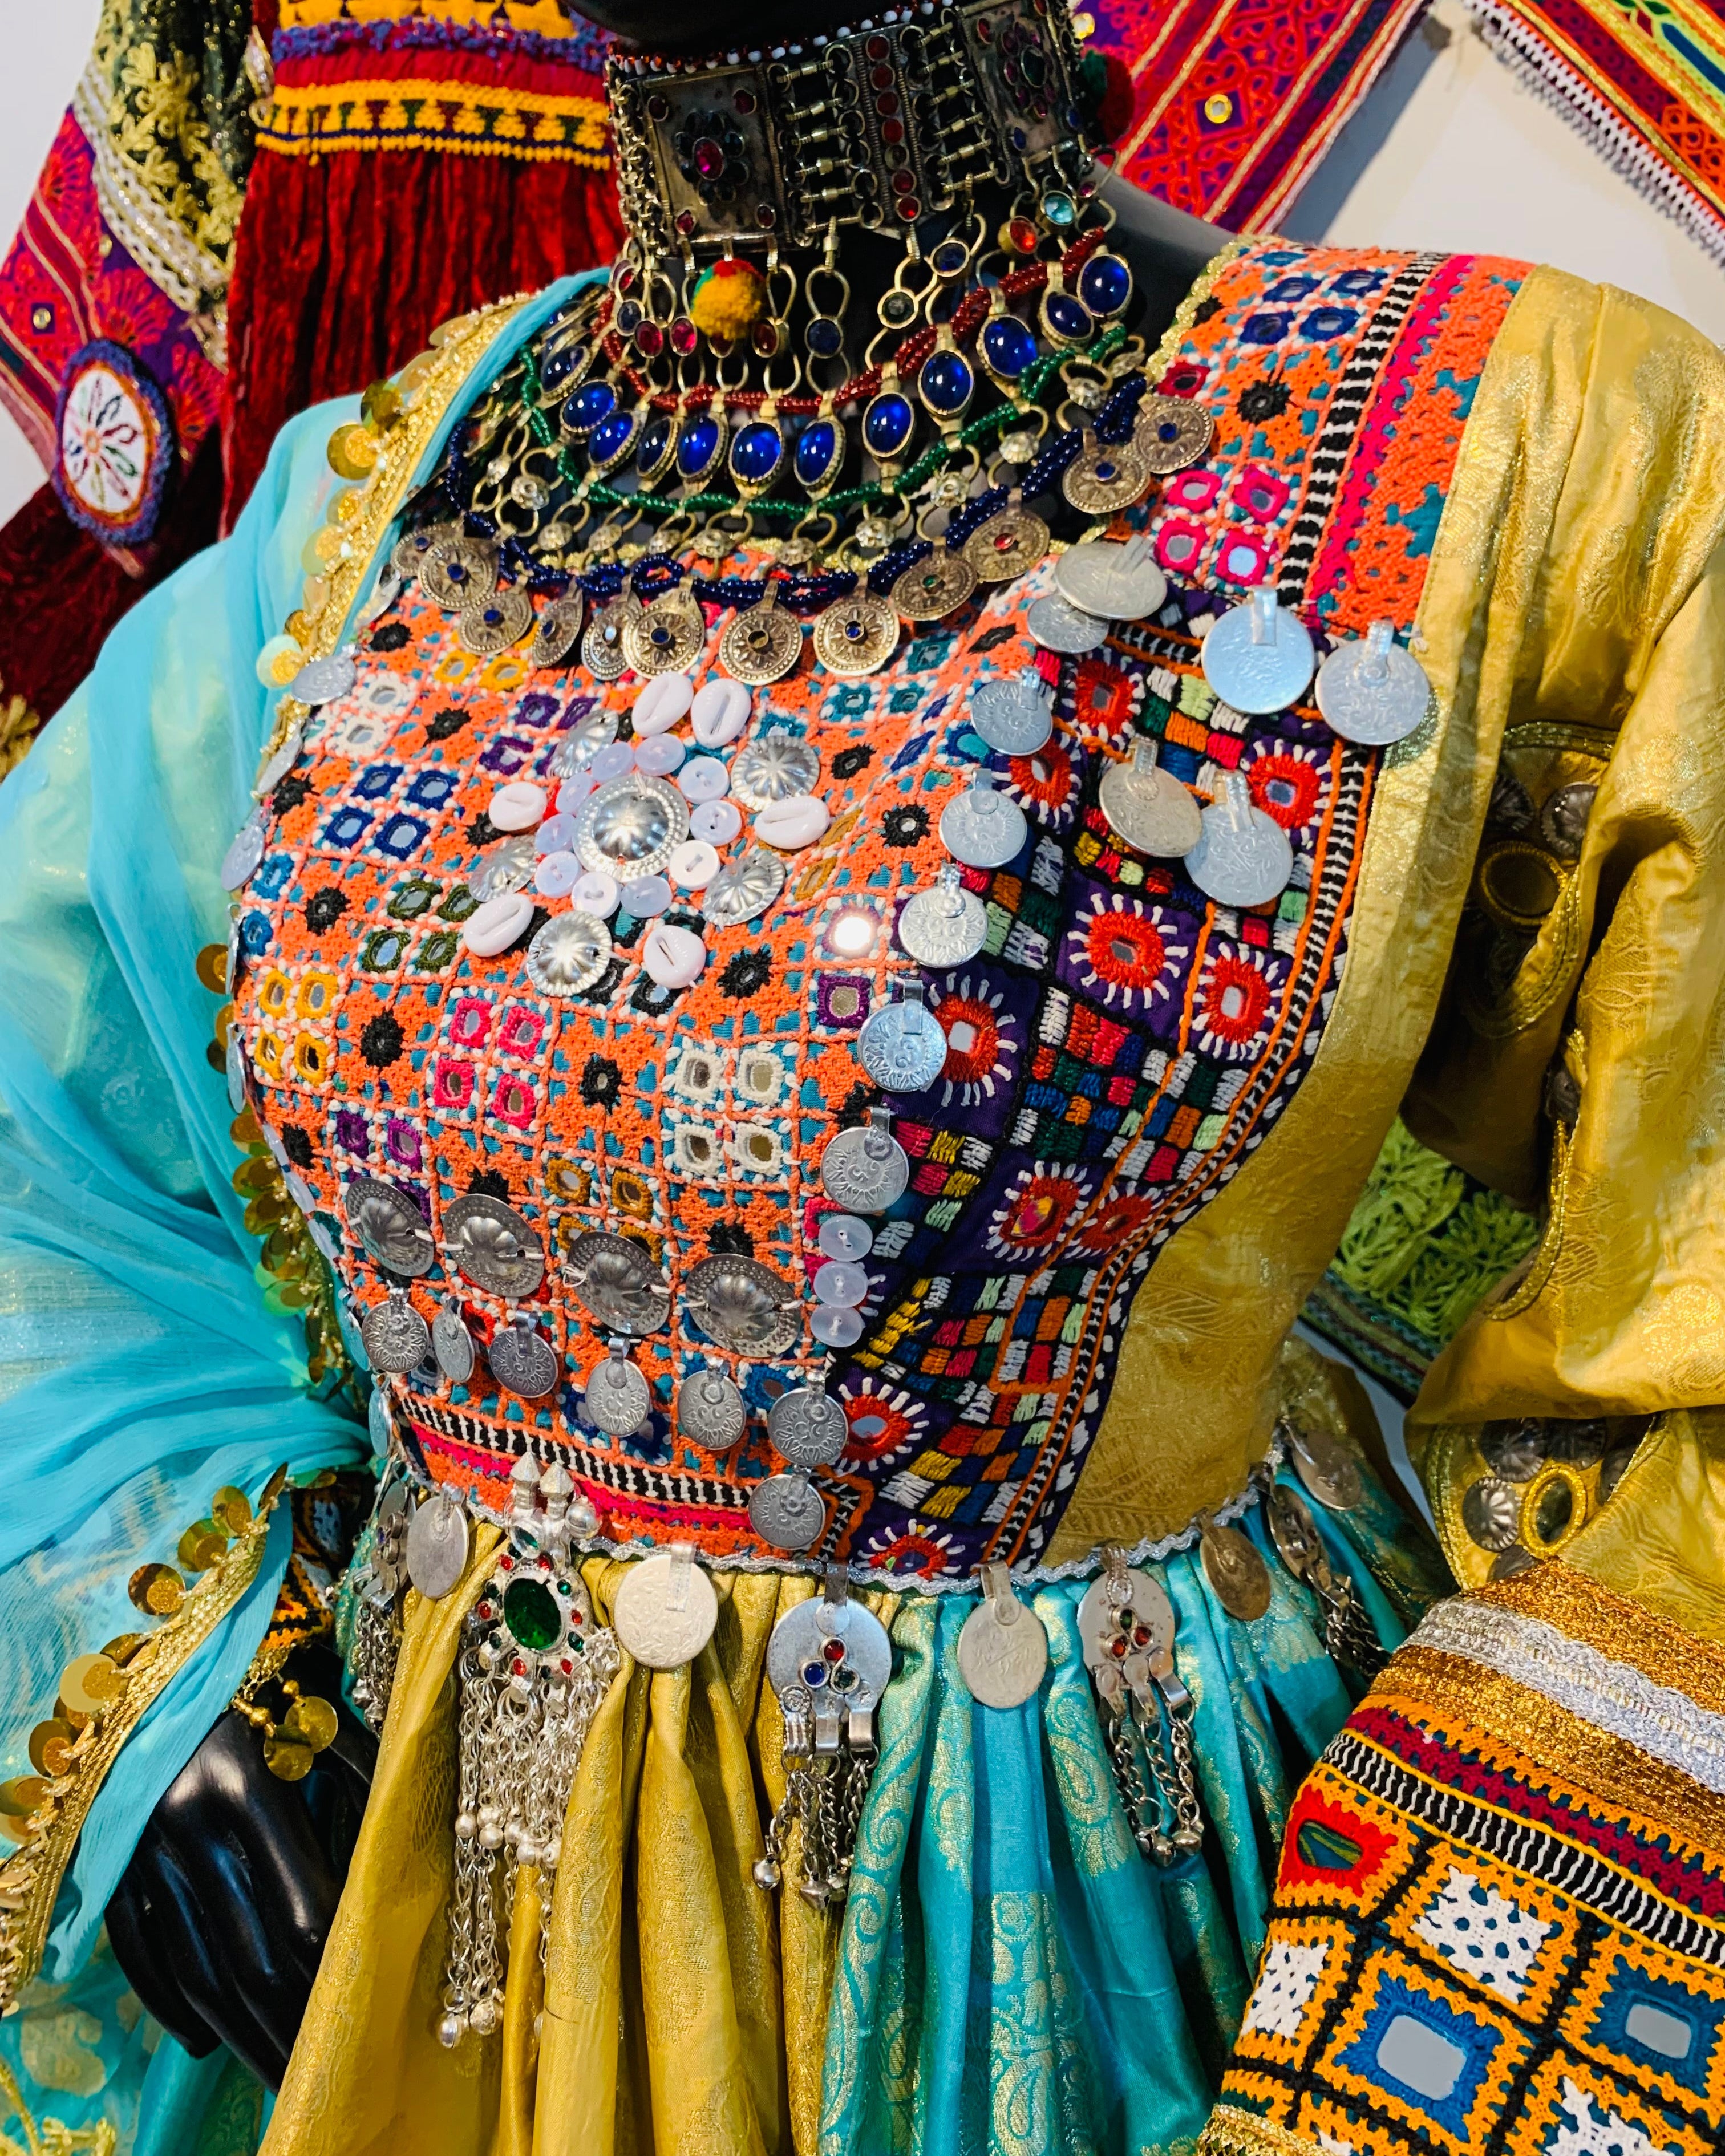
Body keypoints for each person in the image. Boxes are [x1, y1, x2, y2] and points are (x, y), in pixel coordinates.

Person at [3, 2, 1723, 2151]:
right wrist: (171, 1688)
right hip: (425, 1954)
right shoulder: (378, 492)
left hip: (1084, 1968)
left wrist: (1453, 2004)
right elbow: (43, 1133)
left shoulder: (1526, 449)